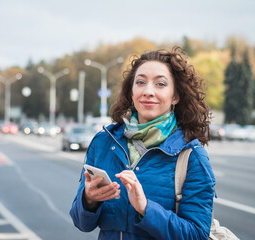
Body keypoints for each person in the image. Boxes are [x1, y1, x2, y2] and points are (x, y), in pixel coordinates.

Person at [70, 47, 216, 240]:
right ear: (132, 92)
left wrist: (145, 208)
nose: (148, 91)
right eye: (140, 82)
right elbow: (82, 224)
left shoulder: (192, 156)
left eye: (160, 84)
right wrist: (88, 200)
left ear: (176, 96)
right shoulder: (104, 142)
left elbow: (197, 235)